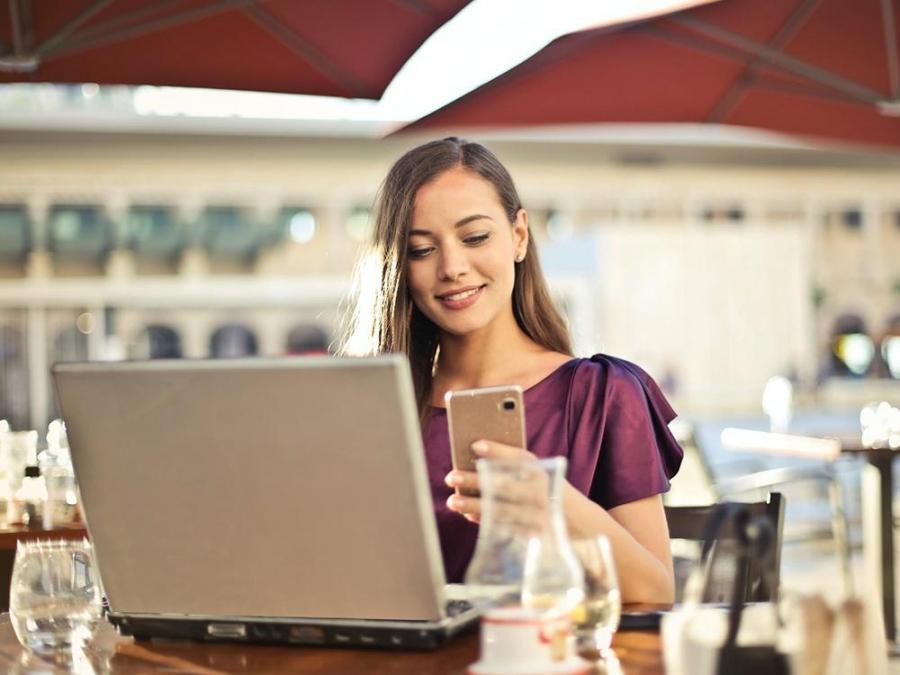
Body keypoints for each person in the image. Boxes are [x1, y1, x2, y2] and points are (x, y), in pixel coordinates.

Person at [341, 137, 682, 603]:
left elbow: (657, 591)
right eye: (421, 250)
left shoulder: (602, 393)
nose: (453, 267)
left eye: (475, 237)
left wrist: (553, 505)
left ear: (518, 235)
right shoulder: (372, 407)